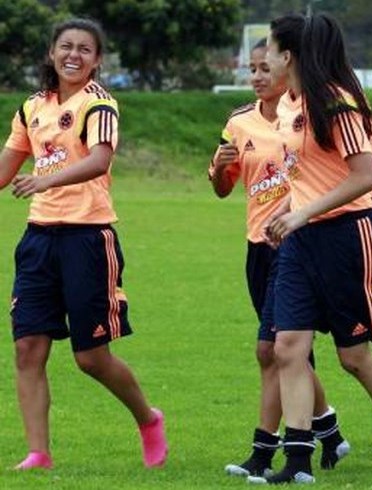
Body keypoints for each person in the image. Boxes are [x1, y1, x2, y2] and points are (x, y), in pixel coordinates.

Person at [248, 13, 372, 484]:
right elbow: (306, 176)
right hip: (301, 242)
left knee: (353, 356)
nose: (263, 56)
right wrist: (285, 210)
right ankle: (298, 461)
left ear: (288, 56)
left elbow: (364, 176)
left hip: (348, 236)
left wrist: (302, 213)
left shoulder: (338, 102)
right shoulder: (288, 104)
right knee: (288, 346)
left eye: (269, 47)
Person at [0, 18, 167, 470]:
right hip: (38, 241)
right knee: (27, 348)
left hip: (88, 239)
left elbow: (99, 160)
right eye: (65, 46)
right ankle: (39, 453)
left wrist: (44, 180)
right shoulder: (32, 107)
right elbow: (5, 170)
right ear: (52, 52)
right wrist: (34, 183)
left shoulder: (100, 104)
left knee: (90, 358)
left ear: (96, 60)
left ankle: (148, 419)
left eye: (84, 49)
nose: (73, 55)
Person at [208, 38, 349, 478]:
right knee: (289, 352)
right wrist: (218, 169)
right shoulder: (238, 123)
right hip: (259, 245)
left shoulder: (305, 114)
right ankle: (327, 430)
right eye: (251, 69)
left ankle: (268, 449)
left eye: (265, 68)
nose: (257, 77)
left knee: (272, 349)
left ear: (288, 67)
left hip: (301, 241)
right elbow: (222, 186)